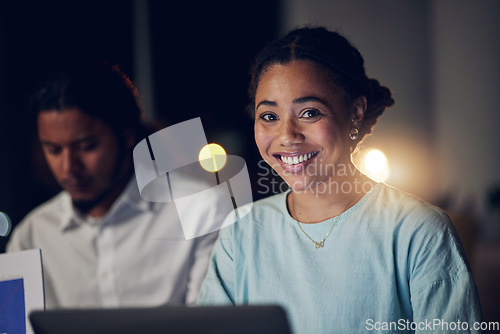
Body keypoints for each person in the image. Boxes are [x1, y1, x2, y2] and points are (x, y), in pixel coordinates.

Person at [197, 27, 482, 333]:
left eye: (309, 113)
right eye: (269, 116)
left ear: (355, 112)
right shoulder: (241, 231)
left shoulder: (417, 230)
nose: (287, 136)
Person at [7, 60, 222, 309]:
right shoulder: (31, 238)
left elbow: (210, 325)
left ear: (127, 135)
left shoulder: (198, 210)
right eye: (54, 150)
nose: (68, 168)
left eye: (87, 146)